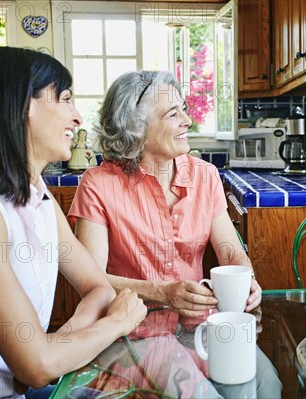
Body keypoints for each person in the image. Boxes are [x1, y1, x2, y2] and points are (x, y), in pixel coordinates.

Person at [0, 47, 147, 398]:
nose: (77, 117)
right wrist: (116, 323)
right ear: (21, 105)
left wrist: (54, 347)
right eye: (64, 99)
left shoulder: (35, 193)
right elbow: (36, 367)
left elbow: (99, 287)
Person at [68, 70, 281, 397]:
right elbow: (92, 279)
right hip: (134, 332)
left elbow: (228, 250)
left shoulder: (205, 175)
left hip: (201, 324)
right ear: (136, 128)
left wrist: (245, 277)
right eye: (173, 113)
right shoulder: (97, 184)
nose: (188, 120)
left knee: (265, 383)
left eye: (184, 109)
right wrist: (164, 292)